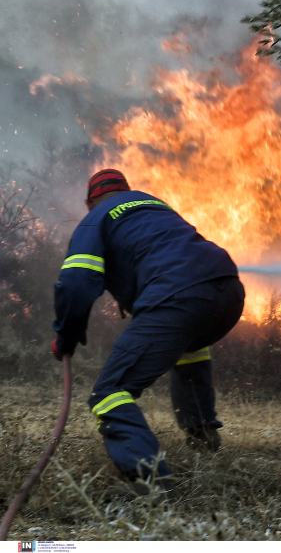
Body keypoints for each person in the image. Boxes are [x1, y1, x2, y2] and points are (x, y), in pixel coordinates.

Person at [52, 169, 245, 497]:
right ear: (126, 190)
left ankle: (151, 484)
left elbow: (76, 283)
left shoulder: (95, 219)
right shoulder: (154, 205)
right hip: (229, 292)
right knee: (190, 347)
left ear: (90, 201)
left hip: (178, 296)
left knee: (109, 392)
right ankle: (203, 439)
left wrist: (67, 335)